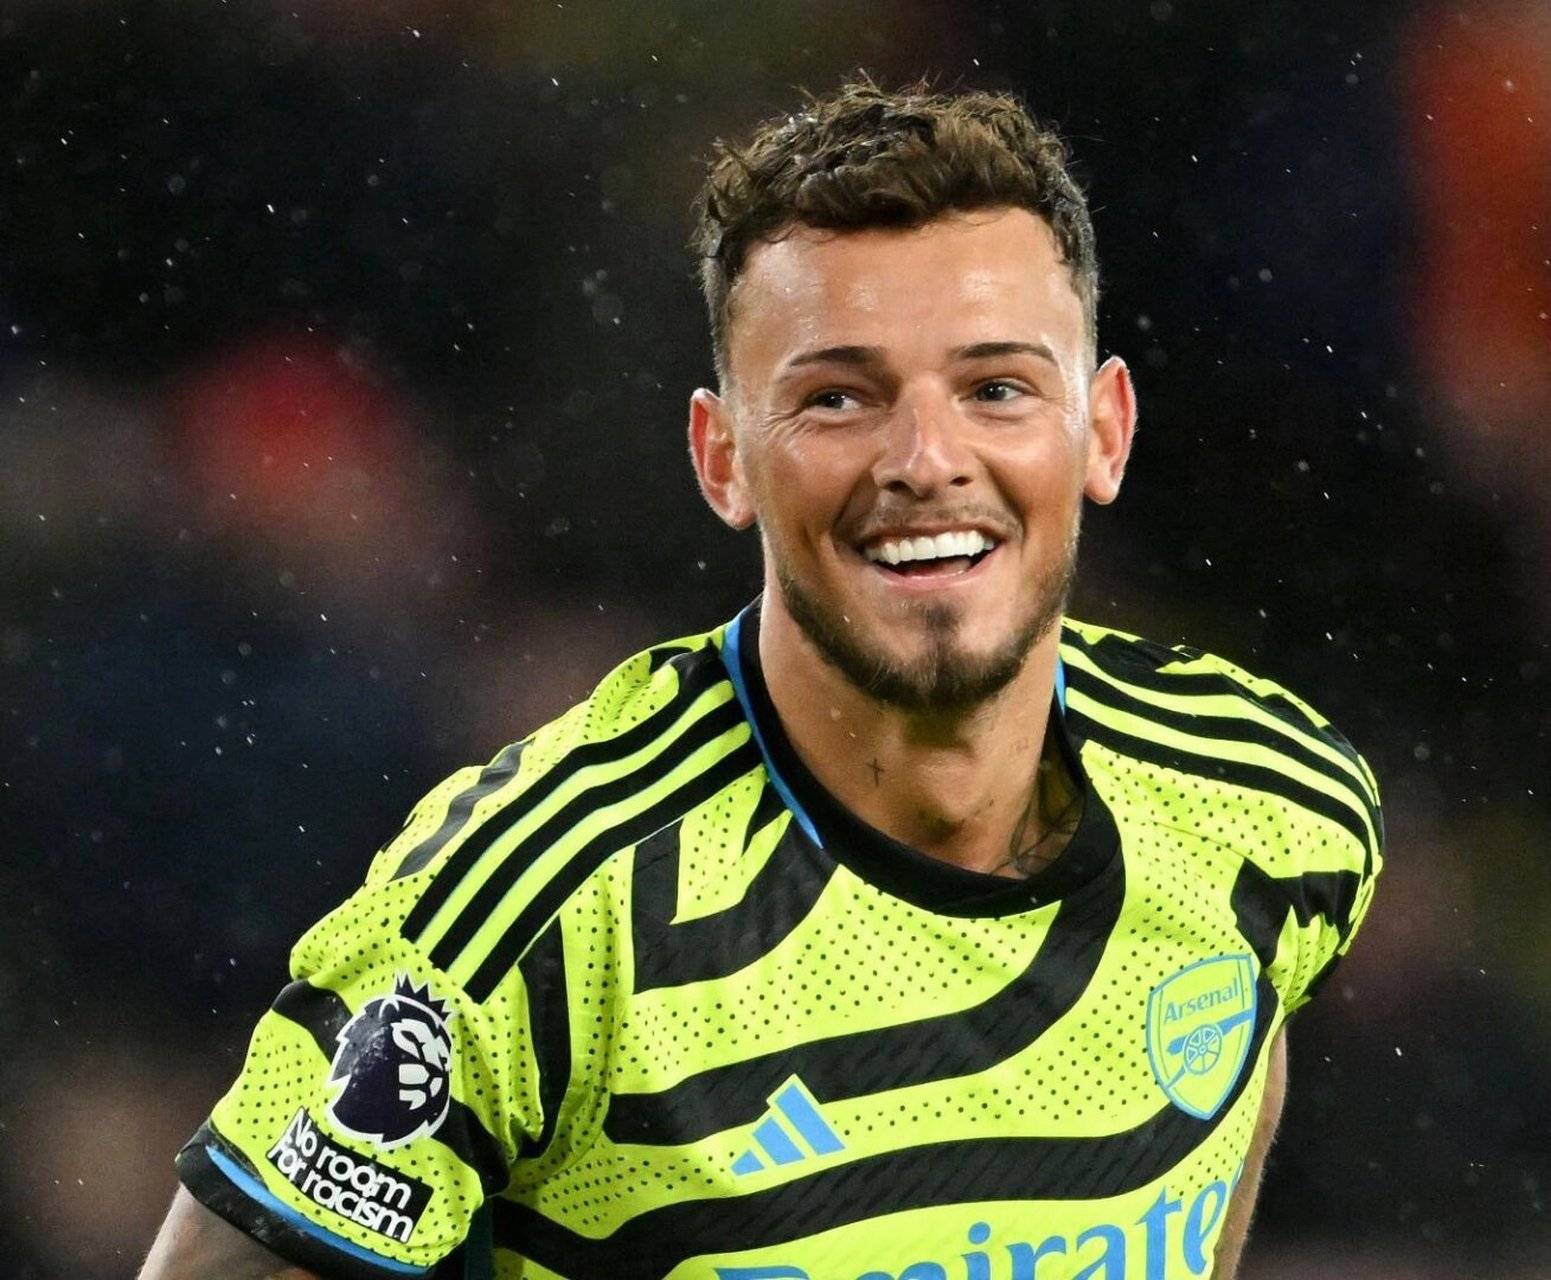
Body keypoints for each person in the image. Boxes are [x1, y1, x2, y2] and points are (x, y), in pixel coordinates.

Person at [140, 77, 1382, 1280]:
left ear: (1103, 431)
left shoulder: (1265, 799)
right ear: (722, 456)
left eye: (997, 388)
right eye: (838, 397)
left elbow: (1230, 1092)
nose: (926, 458)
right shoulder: (536, 906)